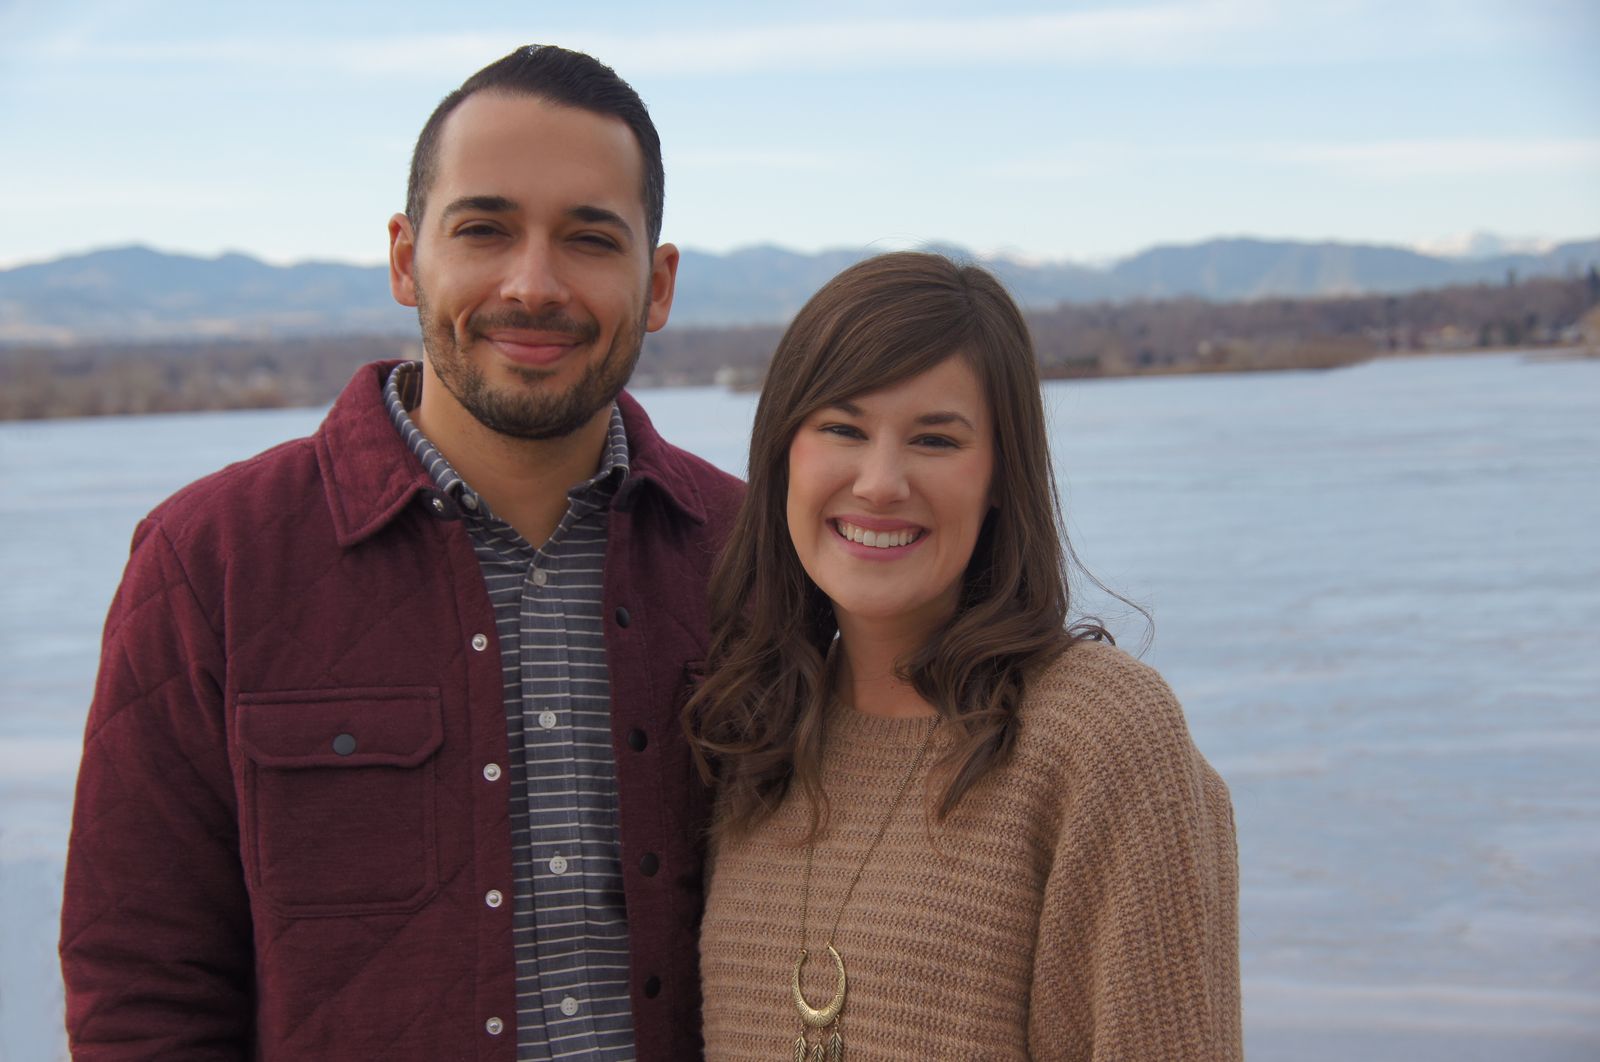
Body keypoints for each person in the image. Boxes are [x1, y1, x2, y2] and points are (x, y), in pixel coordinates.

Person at [59, 45, 740, 1060]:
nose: (533, 284)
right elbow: (141, 988)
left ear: (659, 283)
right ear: (405, 258)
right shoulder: (210, 563)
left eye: (591, 239)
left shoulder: (750, 556)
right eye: (484, 229)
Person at [687, 252, 1240, 1060]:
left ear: (1000, 478)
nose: (880, 483)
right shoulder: (756, 733)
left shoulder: (1099, 736)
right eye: (843, 429)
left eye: (935, 440)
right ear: (782, 456)